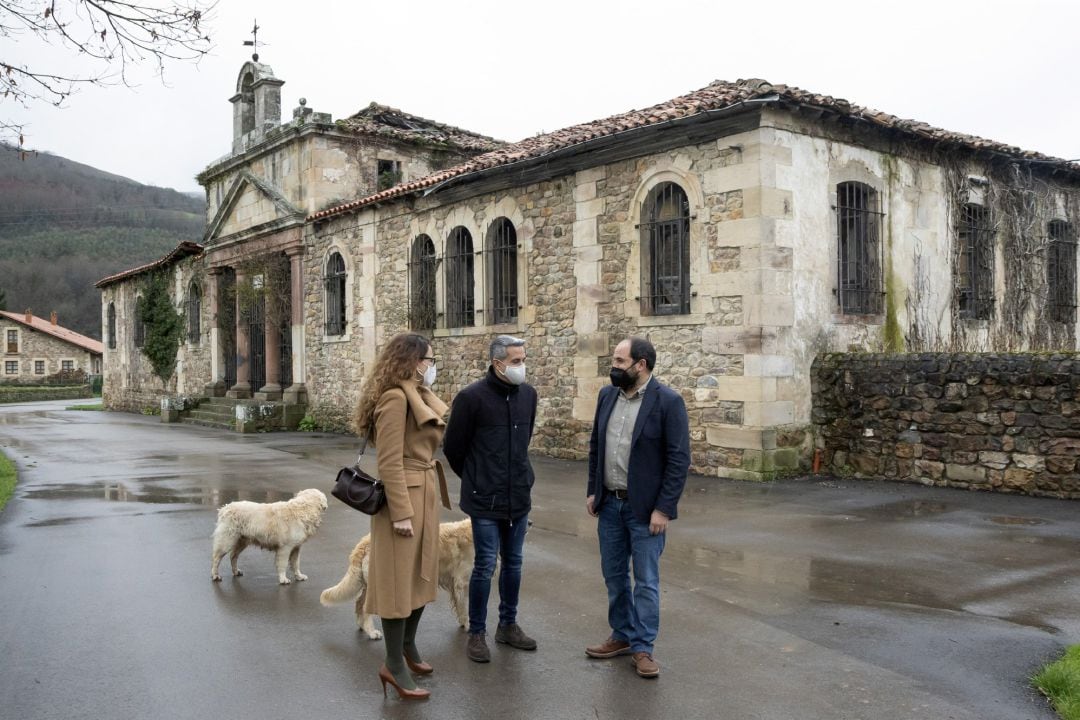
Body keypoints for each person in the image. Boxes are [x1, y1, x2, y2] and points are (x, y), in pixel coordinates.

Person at [585, 336, 690, 679]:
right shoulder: (606, 396)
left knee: (645, 582)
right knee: (614, 577)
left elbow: (678, 460)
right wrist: (592, 490)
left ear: (640, 365)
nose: (613, 367)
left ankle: (643, 648)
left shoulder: (668, 402)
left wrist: (664, 509)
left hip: (645, 511)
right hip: (609, 505)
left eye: (618, 361)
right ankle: (622, 636)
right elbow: (596, 447)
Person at [354, 333, 448, 700]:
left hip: (424, 493)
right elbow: (389, 461)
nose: (431, 365)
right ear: (410, 360)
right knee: (396, 583)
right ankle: (392, 665)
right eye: (427, 358)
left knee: (421, 575)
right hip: (403, 503)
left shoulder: (419, 395)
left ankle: (406, 646)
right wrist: (400, 514)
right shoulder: (395, 398)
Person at [443, 334, 539, 663]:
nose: (521, 366)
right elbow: (454, 448)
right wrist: (477, 478)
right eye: (516, 361)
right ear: (498, 363)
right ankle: (477, 632)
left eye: (523, 359)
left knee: (514, 564)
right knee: (484, 566)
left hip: (518, 496)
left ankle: (508, 625)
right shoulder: (471, 398)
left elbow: (523, 440)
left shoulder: (528, 395)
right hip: (484, 499)